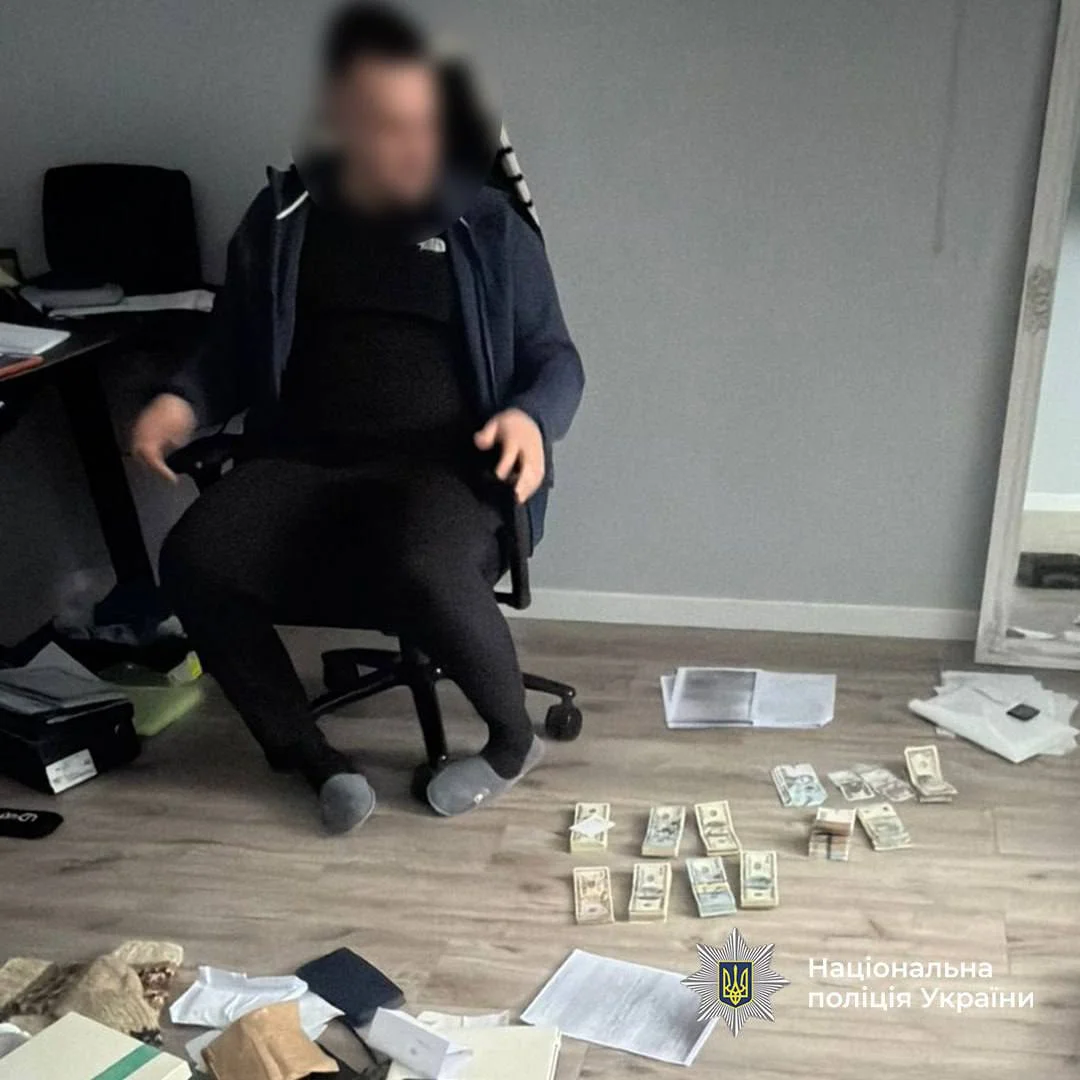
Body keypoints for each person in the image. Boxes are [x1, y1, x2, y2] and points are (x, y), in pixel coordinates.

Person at [131, 2, 584, 833]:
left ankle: (512, 743)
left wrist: (529, 417)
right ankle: (307, 753)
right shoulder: (283, 221)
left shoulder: (490, 227)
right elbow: (230, 347)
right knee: (194, 558)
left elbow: (556, 359)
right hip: (303, 461)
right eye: (384, 126)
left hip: (449, 467)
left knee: (421, 560)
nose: (409, 146)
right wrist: (182, 400)